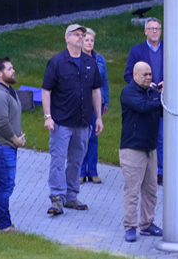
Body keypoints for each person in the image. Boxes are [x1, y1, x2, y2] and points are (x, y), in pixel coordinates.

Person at [42, 24, 104, 215]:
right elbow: (46, 90)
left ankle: (71, 196)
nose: (80, 38)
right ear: (66, 38)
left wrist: (99, 117)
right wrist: (48, 117)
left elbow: (95, 90)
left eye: (82, 35)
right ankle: (57, 198)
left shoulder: (90, 62)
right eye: (76, 35)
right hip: (61, 122)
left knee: (76, 161)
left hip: (83, 122)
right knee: (58, 160)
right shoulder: (57, 62)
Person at [119, 62, 165, 242]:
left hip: (150, 149)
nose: (148, 77)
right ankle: (130, 226)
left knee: (151, 189)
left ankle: (147, 224)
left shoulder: (153, 93)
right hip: (132, 150)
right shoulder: (128, 92)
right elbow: (145, 107)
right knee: (132, 190)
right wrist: (160, 97)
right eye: (144, 74)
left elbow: (162, 110)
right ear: (135, 75)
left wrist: (162, 95)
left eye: (150, 74)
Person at [0, 57, 25, 233]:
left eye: (13, 67)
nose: (13, 70)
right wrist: (15, 139)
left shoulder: (8, 91)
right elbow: (1, 122)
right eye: (9, 69)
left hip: (4, 146)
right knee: (5, 186)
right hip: (1, 146)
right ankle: (3, 225)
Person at [124, 17, 164, 185]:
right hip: (144, 99)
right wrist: (145, 85)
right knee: (148, 136)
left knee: (163, 136)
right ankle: (147, 171)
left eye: (157, 28)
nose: (154, 31)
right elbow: (128, 75)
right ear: (145, 31)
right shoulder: (136, 51)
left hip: (164, 98)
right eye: (151, 28)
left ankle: (161, 172)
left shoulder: (169, 49)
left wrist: (166, 85)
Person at [80, 28, 110, 184]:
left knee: (93, 138)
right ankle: (80, 172)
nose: (90, 43)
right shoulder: (76, 58)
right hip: (80, 105)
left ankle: (93, 172)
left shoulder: (100, 59)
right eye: (87, 40)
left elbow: (104, 82)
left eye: (92, 40)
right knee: (80, 138)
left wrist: (106, 101)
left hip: (96, 104)